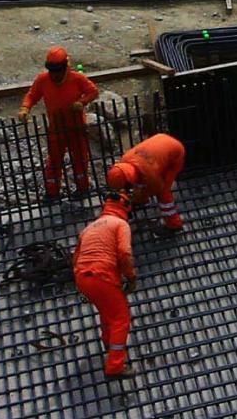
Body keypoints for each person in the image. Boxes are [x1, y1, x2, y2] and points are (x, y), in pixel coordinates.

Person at [20, 46, 103, 198]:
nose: (55, 74)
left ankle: (83, 189)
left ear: (65, 67)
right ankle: (52, 193)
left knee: (80, 160)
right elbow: (32, 95)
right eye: (52, 70)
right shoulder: (43, 80)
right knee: (54, 161)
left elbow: (93, 91)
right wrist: (25, 108)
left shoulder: (77, 79)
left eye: (57, 70)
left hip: (76, 126)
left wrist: (82, 102)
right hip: (56, 127)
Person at [74, 194, 136, 377]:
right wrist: (131, 277)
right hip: (102, 275)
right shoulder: (120, 224)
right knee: (121, 318)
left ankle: (109, 343)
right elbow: (124, 253)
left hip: (83, 277)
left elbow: (76, 257)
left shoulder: (89, 228)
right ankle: (115, 366)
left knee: (106, 310)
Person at [107, 131, 187, 231]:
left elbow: (157, 189)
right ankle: (141, 201)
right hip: (162, 140)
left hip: (176, 153)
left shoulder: (149, 173)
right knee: (141, 185)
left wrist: (138, 192)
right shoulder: (125, 160)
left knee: (163, 193)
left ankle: (174, 224)